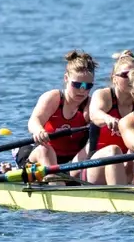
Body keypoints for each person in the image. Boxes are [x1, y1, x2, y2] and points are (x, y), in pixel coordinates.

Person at [20, 50, 97, 181]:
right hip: (41, 156)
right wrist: (39, 130)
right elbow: (34, 120)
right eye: (77, 84)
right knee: (45, 150)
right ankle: (56, 185)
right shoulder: (54, 98)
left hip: (71, 161)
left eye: (87, 86)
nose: (82, 90)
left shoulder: (90, 105)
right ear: (66, 78)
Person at [87, 50, 134, 184]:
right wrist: (107, 118)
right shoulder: (104, 95)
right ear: (114, 78)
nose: (130, 79)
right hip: (95, 166)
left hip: (126, 165)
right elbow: (94, 114)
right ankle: (122, 196)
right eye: (125, 75)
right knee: (114, 150)